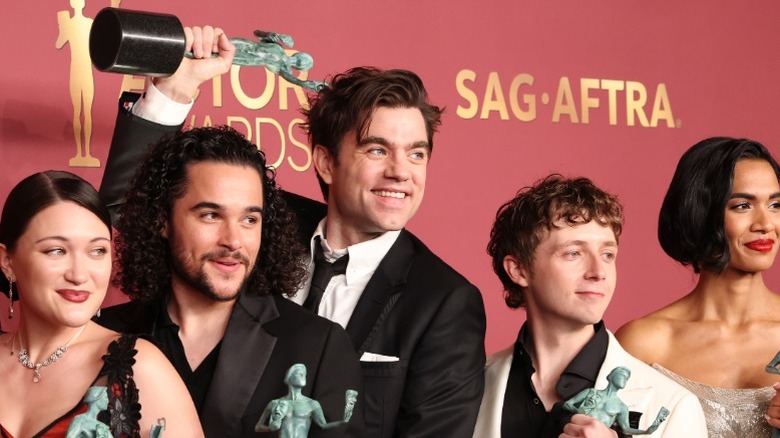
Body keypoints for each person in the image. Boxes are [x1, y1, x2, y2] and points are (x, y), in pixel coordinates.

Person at [98, 26, 486, 438]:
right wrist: (176, 91)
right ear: (324, 162)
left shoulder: (444, 302)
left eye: (417, 153)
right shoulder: (256, 225)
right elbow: (135, 207)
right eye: (377, 149)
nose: (401, 172)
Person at [97, 125, 365, 438]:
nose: (233, 241)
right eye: (211, 215)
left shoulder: (318, 346)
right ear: (162, 221)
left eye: (249, 219)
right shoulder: (102, 335)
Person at [473, 175, 707, 438]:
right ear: (519, 269)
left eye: (607, 255)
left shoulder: (672, 404)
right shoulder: (470, 386)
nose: (599, 271)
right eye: (574, 253)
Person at [0, 171, 202, 437]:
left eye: (97, 251)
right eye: (56, 251)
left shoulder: (139, 368)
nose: (79, 275)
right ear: (7, 262)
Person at [615, 137, 780, 437]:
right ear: (700, 213)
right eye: (742, 206)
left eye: (775, 204)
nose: (766, 223)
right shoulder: (643, 343)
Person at [254, 364, 356, 437]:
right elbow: (258, 427)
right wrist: (269, 428)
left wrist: (343, 421)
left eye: (304, 374)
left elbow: (323, 425)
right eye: (299, 373)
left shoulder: (312, 404)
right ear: (289, 377)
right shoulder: (275, 403)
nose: (303, 376)